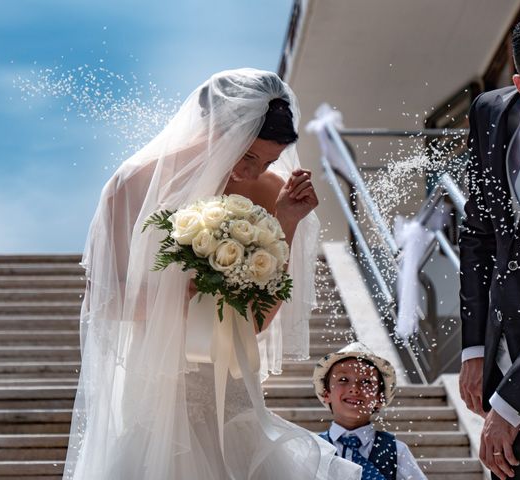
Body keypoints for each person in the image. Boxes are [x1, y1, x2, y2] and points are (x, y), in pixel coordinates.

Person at [63, 68, 362, 479]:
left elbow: (257, 321)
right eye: (249, 155)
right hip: (157, 385)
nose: (255, 172)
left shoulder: (269, 189)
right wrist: (178, 293)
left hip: (233, 391)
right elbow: (104, 300)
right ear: (217, 129)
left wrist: (287, 223)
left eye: (269, 160)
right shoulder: (133, 184)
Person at [459, 11, 520, 480]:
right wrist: (473, 348)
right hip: (504, 358)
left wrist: (511, 401)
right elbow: (479, 235)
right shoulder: (490, 112)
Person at [313, 342, 425, 480]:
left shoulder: (396, 451)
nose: (354, 388)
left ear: (380, 398)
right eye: (343, 379)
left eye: (366, 382)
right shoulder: (313, 449)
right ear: (326, 393)